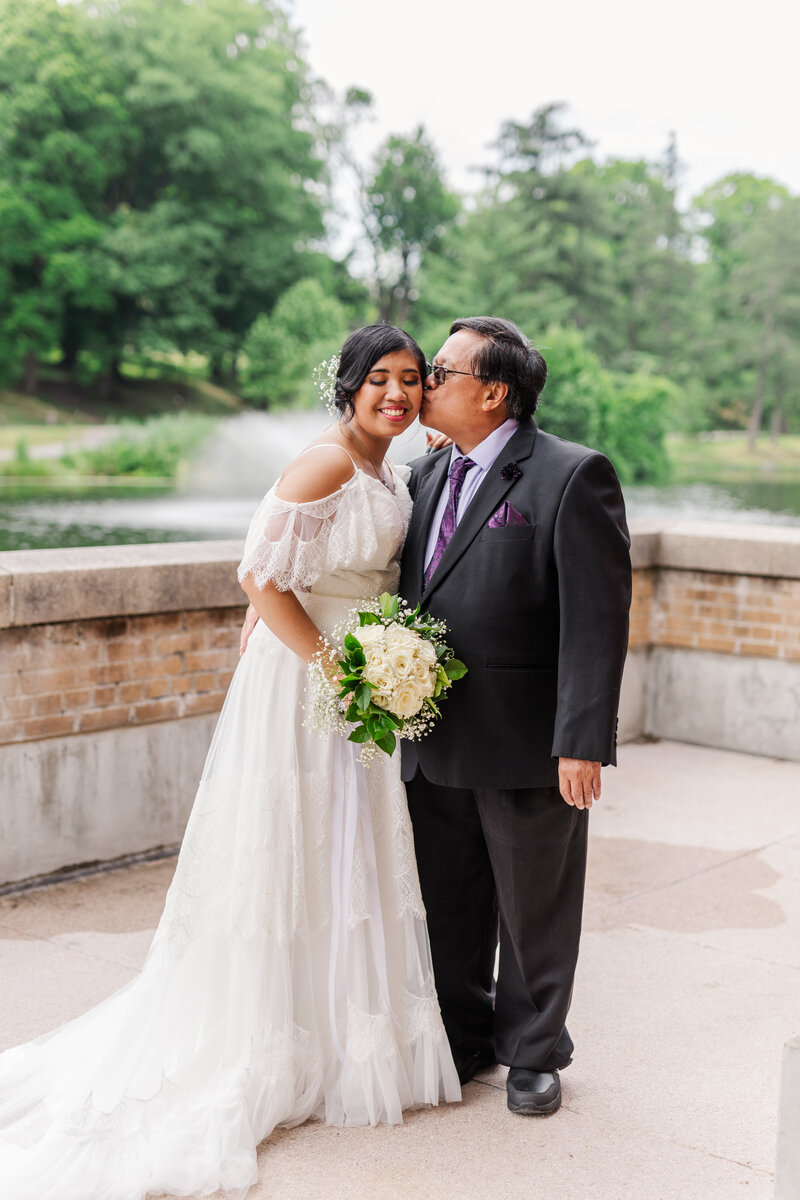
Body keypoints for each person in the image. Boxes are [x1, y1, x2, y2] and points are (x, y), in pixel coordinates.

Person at [0, 324, 460, 1200]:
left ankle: (332, 1029)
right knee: (293, 846)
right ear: (348, 385)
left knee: (346, 847)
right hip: (304, 684)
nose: (397, 395)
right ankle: (273, 1035)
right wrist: (339, 671)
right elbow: (260, 578)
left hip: (356, 679)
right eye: (381, 381)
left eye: (412, 381)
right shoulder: (323, 464)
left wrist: (374, 667)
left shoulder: (391, 466)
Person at [399, 316, 631, 1116]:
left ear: (493, 392)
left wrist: (582, 741)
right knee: (450, 899)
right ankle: (464, 1039)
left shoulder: (572, 475)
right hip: (432, 736)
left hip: (530, 739)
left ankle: (535, 1052)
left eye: (439, 370)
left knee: (535, 904)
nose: (423, 382)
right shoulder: (428, 474)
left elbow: (597, 621)